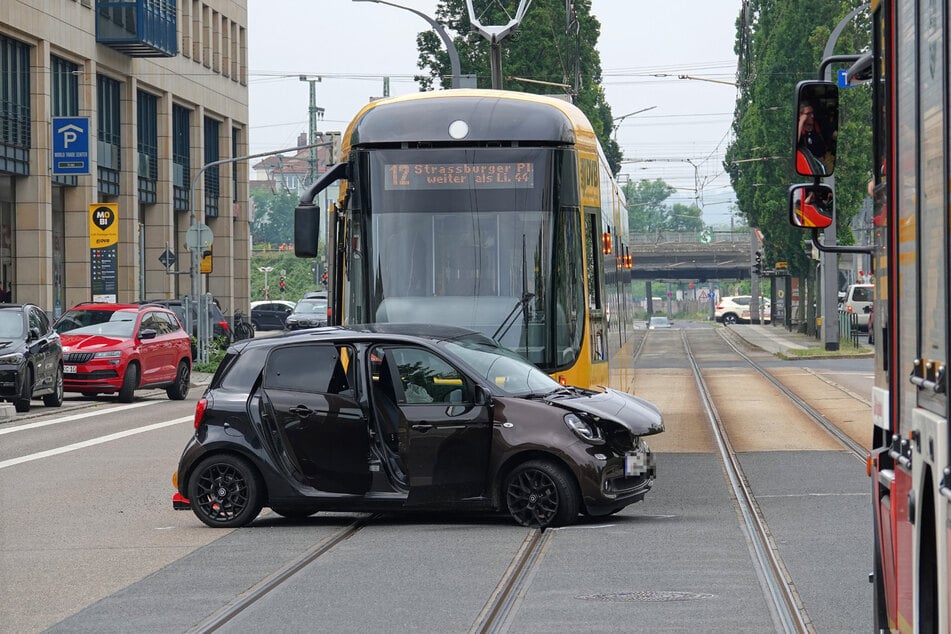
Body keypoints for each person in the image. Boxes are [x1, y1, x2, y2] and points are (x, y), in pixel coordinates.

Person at [797, 101, 832, 175]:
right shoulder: (799, 130)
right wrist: (801, 122)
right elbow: (794, 143)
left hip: (824, 160)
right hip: (809, 164)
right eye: (808, 114)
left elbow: (832, 134)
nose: (812, 116)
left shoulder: (819, 125)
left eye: (812, 113)